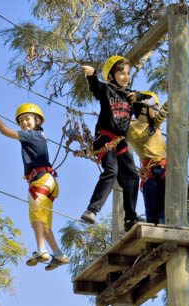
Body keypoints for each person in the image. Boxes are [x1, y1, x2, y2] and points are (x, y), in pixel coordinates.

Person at [0, 103, 69, 271]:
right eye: (21, 121)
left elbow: (5, 131)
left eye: (27, 119)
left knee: (36, 219)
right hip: (48, 181)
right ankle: (59, 254)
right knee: (44, 224)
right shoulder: (40, 136)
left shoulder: (31, 135)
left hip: (40, 180)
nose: (24, 123)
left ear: (37, 120)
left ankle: (41, 250)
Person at [79, 55, 144, 232]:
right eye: (121, 73)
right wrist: (91, 75)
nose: (125, 76)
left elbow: (149, 103)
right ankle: (92, 209)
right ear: (111, 76)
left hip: (121, 142)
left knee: (132, 175)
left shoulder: (130, 97)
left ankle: (130, 217)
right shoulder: (107, 90)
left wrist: (138, 96)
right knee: (112, 170)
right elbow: (96, 87)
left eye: (128, 73)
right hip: (106, 139)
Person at [126, 92, 168, 225]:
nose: (156, 111)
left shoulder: (156, 123)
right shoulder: (130, 128)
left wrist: (171, 93)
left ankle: (162, 236)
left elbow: (165, 110)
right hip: (149, 172)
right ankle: (153, 241)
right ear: (144, 109)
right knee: (152, 210)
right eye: (153, 107)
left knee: (163, 209)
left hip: (165, 169)